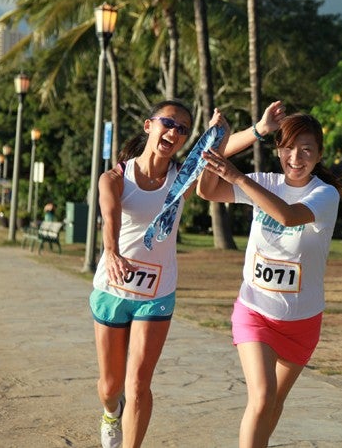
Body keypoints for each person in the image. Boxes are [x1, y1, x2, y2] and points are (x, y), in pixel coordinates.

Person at [197, 104, 342, 448]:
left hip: (302, 321)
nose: (295, 157)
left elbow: (287, 216)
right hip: (255, 311)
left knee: (274, 404)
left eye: (306, 149)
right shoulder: (265, 181)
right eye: (288, 148)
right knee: (263, 397)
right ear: (279, 149)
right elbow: (207, 190)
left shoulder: (324, 194)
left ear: (319, 154)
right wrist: (228, 137)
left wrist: (236, 176)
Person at [90, 100, 216, 448]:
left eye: (183, 129)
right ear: (149, 126)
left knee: (138, 384)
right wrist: (111, 251)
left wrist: (253, 131)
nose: (174, 132)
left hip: (157, 295)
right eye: (168, 123)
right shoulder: (114, 177)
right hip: (112, 290)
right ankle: (110, 413)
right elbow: (109, 214)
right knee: (110, 387)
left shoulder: (180, 181)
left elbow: (213, 157)